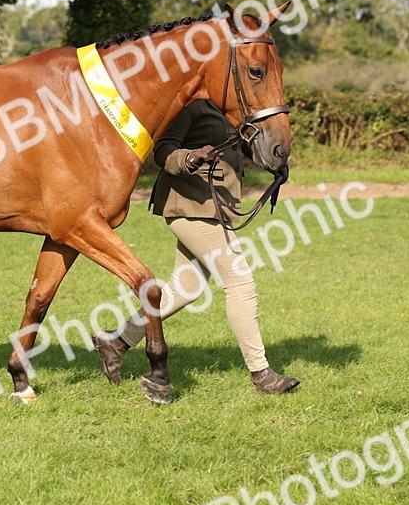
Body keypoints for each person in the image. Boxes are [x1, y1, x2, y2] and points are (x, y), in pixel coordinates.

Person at [93, 99, 300, 394]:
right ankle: (262, 374)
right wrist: (188, 158)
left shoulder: (228, 106)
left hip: (214, 207)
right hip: (189, 206)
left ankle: (116, 342)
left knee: (185, 288)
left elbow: (234, 148)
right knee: (240, 281)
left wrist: (272, 163)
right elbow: (163, 150)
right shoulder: (191, 105)